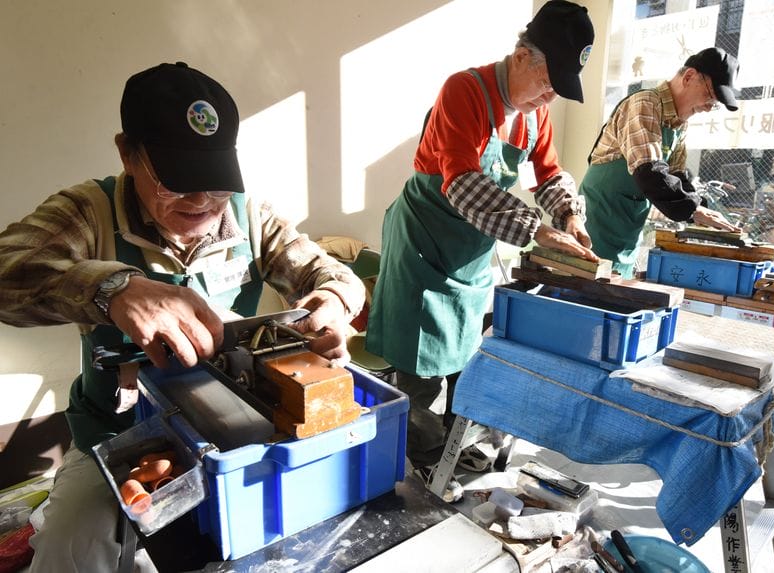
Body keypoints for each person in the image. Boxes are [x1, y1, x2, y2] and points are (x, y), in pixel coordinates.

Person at [0, 62, 365, 572]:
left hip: (237, 433)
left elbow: (334, 275)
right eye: (177, 181)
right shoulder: (89, 212)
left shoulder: (248, 216)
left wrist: (333, 305)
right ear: (128, 153)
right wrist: (113, 289)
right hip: (120, 436)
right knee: (72, 549)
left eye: (214, 183)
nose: (202, 203)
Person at [366, 0, 597, 500]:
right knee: (420, 370)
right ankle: (400, 476)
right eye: (546, 81)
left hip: (469, 256)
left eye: (559, 88)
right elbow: (462, 182)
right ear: (521, 56)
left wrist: (570, 216)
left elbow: (551, 173)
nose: (549, 95)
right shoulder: (464, 91)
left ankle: (443, 458)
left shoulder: (534, 117)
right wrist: (537, 232)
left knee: (464, 365)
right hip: (424, 247)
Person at [579, 46, 743, 278]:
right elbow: (650, 173)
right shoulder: (645, 104)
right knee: (584, 291)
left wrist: (703, 209)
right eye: (710, 96)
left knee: (615, 291)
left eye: (714, 104)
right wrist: (693, 211)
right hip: (597, 222)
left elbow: (677, 175)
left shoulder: (678, 124)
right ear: (689, 77)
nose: (708, 108)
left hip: (628, 227)